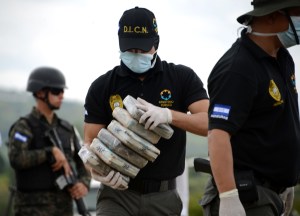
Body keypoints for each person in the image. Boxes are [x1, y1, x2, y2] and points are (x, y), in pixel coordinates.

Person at [83, 6, 209, 216]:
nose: (136, 54)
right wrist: (95, 171)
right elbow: (88, 142)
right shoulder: (102, 86)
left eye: (142, 49)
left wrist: (169, 115)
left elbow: (209, 123)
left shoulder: (181, 78)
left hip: (163, 196)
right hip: (117, 195)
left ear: (156, 44)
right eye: (130, 49)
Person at [201, 0, 300, 215]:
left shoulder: (282, 58)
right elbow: (218, 134)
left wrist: (286, 178)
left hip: (271, 192)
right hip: (247, 196)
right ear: (272, 15)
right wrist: (228, 197)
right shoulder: (238, 68)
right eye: (297, 13)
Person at [8, 67, 91, 216]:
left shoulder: (67, 129)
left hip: (63, 208)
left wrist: (84, 183)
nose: (62, 96)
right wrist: (49, 153)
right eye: (56, 91)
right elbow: (16, 158)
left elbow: (84, 160)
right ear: (40, 93)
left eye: (62, 91)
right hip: (31, 209)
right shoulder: (24, 127)